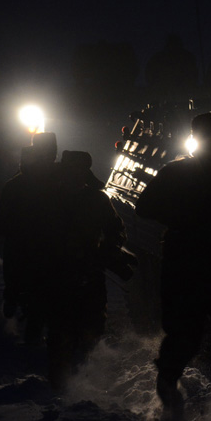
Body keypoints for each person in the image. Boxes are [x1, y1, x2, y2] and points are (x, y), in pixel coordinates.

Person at [134, 112, 211, 421]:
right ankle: (177, 394)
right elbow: (146, 206)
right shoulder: (183, 173)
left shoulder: (181, 172)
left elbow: (146, 206)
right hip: (198, 266)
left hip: (206, 266)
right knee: (195, 337)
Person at [43, 150, 127, 390]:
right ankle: (65, 384)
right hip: (68, 273)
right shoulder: (85, 198)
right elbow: (117, 231)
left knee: (84, 328)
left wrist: (106, 251)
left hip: (79, 272)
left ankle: (73, 381)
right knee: (67, 329)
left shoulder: (57, 198)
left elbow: (116, 231)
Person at [0, 132, 61, 345]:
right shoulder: (60, 179)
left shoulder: (16, 183)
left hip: (31, 245)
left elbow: (3, 222)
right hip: (43, 246)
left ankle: (13, 301)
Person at [144, 33, 199, 104]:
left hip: (183, 95)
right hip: (164, 96)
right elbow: (149, 75)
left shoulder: (187, 57)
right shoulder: (158, 58)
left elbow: (193, 75)